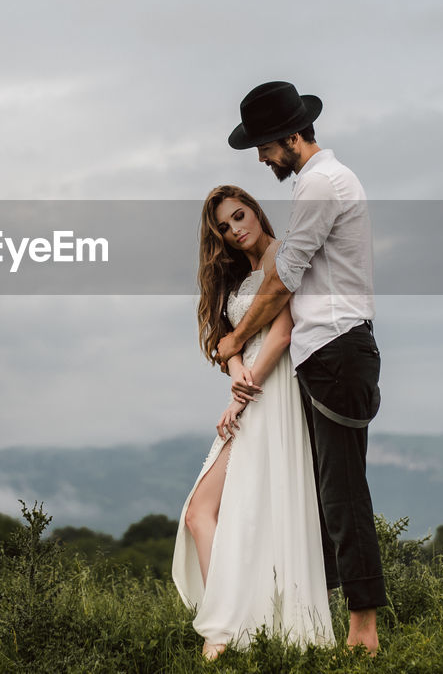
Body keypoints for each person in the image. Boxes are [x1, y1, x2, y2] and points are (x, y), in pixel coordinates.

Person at [215, 80, 388, 656]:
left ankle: (364, 634)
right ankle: (321, 620)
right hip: (330, 352)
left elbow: (285, 276)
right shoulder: (325, 182)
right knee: (325, 494)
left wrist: (235, 337)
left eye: (264, 147)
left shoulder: (320, 184)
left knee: (341, 494)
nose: (262, 159)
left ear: (291, 136)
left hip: (337, 349)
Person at [172, 185, 335, 661]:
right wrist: (236, 364)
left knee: (209, 508)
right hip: (252, 388)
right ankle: (234, 624)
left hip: (273, 391)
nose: (235, 229)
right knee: (209, 511)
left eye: (239, 216)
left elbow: (283, 333)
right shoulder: (238, 273)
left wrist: (243, 393)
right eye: (224, 226)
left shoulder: (282, 255)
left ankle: (222, 632)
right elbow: (229, 339)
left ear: (256, 211)